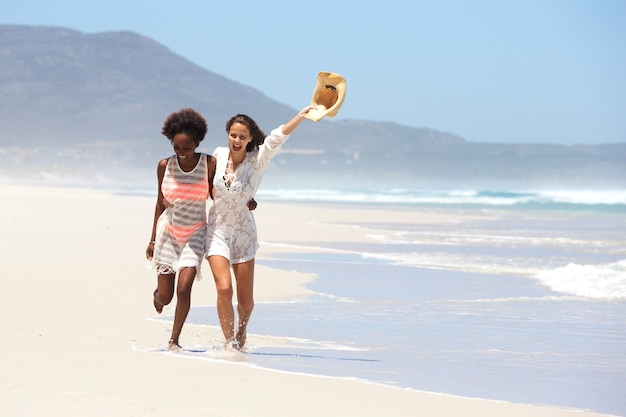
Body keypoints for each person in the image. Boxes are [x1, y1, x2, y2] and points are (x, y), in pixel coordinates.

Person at [206, 106, 313, 350]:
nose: (237, 140)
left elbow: (277, 137)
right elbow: (204, 186)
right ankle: (229, 342)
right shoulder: (217, 155)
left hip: (243, 233)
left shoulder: (258, 160)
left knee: (246, 302)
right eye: (233, 135)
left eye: (242, 136)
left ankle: (242, 332)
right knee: (224, 288)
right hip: (216, 231)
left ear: (250, 138)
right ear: (227, 134)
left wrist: (301, 115)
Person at [146, 108, 214, 352]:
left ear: (197, 142)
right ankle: (157, 296)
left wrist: (246, 202)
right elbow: (158, 202)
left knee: (184, 288)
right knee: (166, 296)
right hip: (169, 233)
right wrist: (152, 240)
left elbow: (220, 195)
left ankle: (174, 340)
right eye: (176, 147)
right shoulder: (164, 166)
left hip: (195, 233)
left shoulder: (209, 164)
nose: (181, 153)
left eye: (186, 148)